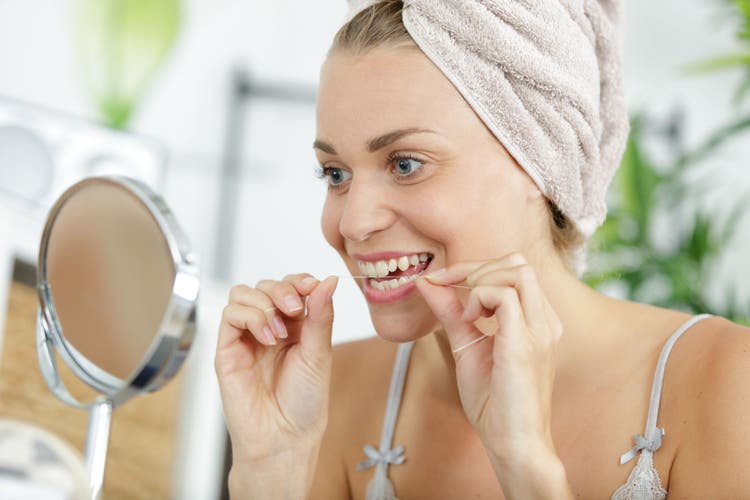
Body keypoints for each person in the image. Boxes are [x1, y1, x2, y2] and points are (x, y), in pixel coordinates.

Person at [215, 1, 750, 498]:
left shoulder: (723, 386)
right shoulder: (330, 396)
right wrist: (271, 470)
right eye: (335, 173)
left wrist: (525, 464)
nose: (353, 222)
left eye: (406, 164)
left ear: (540, 163)